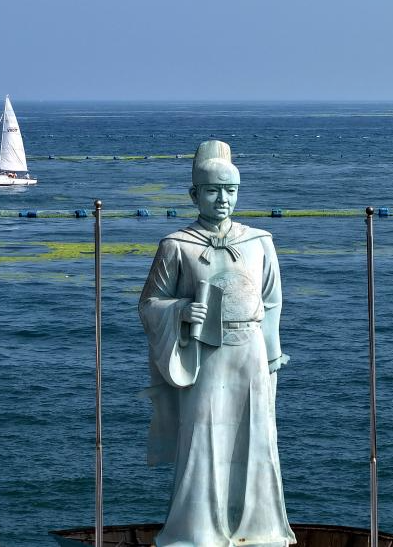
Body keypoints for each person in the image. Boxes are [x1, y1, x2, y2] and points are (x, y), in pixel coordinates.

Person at [139, 140, 295, 547]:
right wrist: (181, 310)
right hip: (204, 355)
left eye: (230, 190)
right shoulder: (177, 245)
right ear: (194, 195)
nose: (222, 199)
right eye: (212, 191)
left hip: (251, 352)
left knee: (256, 436)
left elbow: (272, 300)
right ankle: (198, 529)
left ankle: (259, 527)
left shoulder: (258, 241)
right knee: (203, 436)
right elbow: (150, 303)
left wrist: (272, 354)